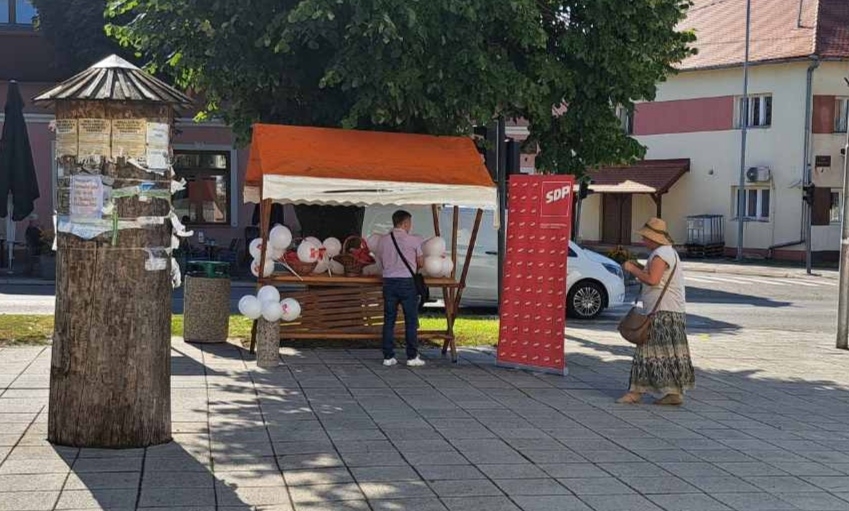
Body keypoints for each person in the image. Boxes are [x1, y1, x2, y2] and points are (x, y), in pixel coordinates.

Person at [619, 217, 694, 405]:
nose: (643, 240)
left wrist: (632, 268)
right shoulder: (668, 252)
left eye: (645, 237)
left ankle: (635, 392)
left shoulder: (661, 254)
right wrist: (640, 268)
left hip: (662, 312)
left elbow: (653, 280)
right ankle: (673, 393)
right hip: (670, 310)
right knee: (668, 353)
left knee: (645, 351)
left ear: (654, 238)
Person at [379, 210, 425, 367]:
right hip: (407, 283)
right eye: (409, 223)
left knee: (389, 320)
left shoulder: (383, 240)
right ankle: (412, 357)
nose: (410, 226)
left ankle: (388, 356)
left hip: (389, 283)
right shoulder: (413, 240)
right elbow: (420, 263)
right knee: (410, 320)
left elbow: (381, 261)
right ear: (405, 223)